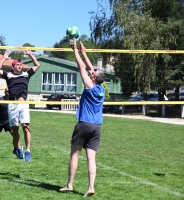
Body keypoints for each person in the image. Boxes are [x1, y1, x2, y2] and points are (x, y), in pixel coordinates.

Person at [59, 38, 105, 197]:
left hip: (84, 125)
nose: (91, 72)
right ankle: (91, 187)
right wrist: (85, 53)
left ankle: (70, 185)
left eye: (92, 73)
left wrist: (75, 51)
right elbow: (91, 69)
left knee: (75, 154)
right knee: (91, 159)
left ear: (93, 78)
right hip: (97, 128)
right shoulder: (101, 88)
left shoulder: (90, 86)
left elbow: (81, 68)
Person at [0, 50, 40, 162]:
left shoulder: (26, 74)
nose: (20, 66)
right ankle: (18, 148)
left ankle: (28, 151)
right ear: (13, 67)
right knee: (15, 131)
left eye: (20, 64)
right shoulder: (9, 75)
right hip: (12, 104)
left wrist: (30, 55)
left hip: (23, 103)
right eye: (17, 65)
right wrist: (4, 58)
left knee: (26, 127)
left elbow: (37, 65)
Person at [0, 87, 22, 158]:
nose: (8, 92)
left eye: (10, 91)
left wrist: (18, 118)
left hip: (8, 121)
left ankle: (17, 149)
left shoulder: (13, 100)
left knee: (15, 135)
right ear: (5, 92)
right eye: (7, 91)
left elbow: (17, 110)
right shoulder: (0, 99)